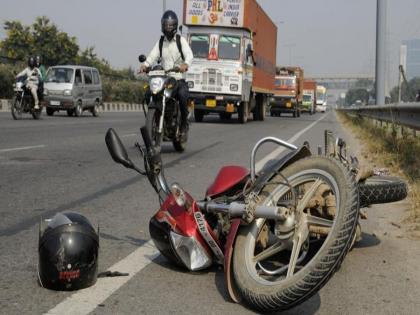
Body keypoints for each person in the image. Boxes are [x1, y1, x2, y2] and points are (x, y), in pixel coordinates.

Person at [139, 10, 193, 135]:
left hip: (177, 78)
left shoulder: (181, 41)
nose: (167, 27)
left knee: (182, 95)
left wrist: (185, 64)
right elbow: (152, 56)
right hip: (163, 78)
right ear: (162, 25)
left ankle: (184, 124)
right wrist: (145, 65)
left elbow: (189, 55)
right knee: (148, 94)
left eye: (170, 25)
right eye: (165, 24)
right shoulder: (160, 42)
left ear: (174, 25)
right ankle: (155, 119)